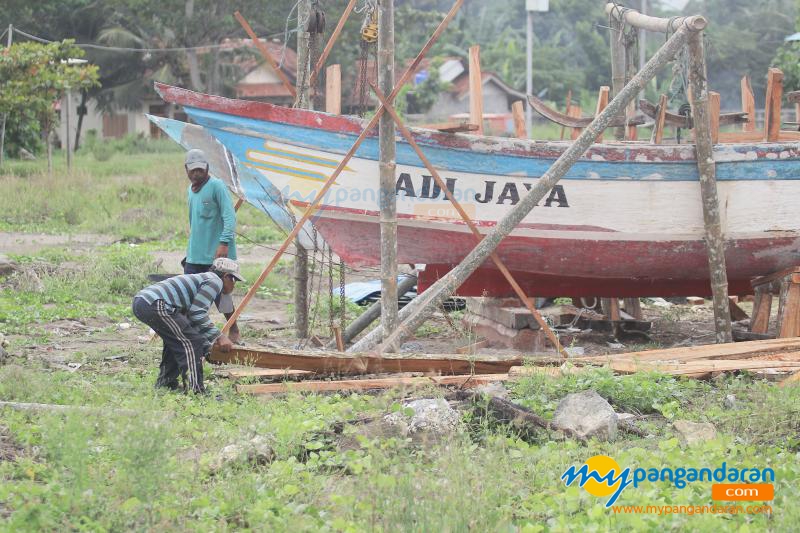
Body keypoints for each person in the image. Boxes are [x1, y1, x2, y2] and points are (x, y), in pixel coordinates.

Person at [132, 257, 245, 393]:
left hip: (144, 302)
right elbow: (197, 314)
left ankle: (166, 384)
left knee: (177, 341)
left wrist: (206, 349)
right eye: (234, 281)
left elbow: (190, 322)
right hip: (155, 304)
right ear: (227, 276)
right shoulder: (215, 281)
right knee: (191, 343)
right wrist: (219, 337)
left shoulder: (203, 280)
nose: (234, 286)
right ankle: (195, 390)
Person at [183, 148, 242, 343]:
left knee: (222, 293)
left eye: (200, 169)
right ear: (186, 170)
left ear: (207, 167)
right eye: (193, 170)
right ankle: (191, 333)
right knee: (190, 294)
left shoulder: (217, 186)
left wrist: (224, 242)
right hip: (196, 253)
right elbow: (194, 222)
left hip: (218, 253)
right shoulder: (190, 191)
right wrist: (190, 249)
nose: (196, 173)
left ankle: (233, 330)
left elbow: (229, 217)